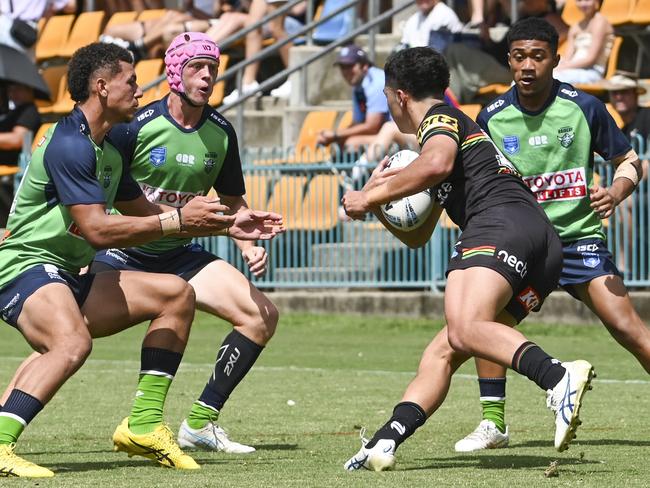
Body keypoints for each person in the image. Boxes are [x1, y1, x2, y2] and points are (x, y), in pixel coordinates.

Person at [0, 42, 282, 477]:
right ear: (101, 87)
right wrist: (176, 221)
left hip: (69, 271)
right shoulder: (70, 145)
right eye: (130, 82)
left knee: (175, 295)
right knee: (70, 343)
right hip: (27, 264)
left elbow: (148, 215)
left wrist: (228, 227)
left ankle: (144, 425)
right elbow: (98, 229)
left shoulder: (109, 150)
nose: (138, 89)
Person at [340, 46, 594, 472]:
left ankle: (557, 377)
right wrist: (383, 204)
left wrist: (368, 196)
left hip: (499, 227)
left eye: (387, 98)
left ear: (400, 96)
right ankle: (385, 441)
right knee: (448, 347)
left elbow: (435, 163)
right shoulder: (456, 133)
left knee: (464, 327)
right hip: (539, 243)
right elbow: (419, 235)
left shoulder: (439, 120)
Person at [454, 17, 650, 453]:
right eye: (519, 57)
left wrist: (616, 191)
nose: (527, 66)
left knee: (627, 327)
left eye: (538, 57)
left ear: (555, 60)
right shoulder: (492, 116)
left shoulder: (585, 107)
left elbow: (632, 161)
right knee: (487, 324)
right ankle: (493, 424)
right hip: (524, 246)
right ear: (509, 60)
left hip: (579, 241)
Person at [88, 31, 281, 454]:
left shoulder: (221, 133)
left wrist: (248, 244)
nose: (208, 76)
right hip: (124, 251)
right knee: (72, 334)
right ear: (175, 71)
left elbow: (232, 201)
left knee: (261, 316)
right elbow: (96, 199)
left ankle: (200, 422)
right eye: (197, 67)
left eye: (213, 68)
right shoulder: (134, 128)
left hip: (179, 252)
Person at [222, 0, 307, 103]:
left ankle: (295, 78)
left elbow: (298, 9)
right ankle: (248, 83)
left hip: (296, 22)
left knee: (276, 28)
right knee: (252, 26)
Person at [316, 44, 389, 152]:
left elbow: (373, 126)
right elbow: (358, 122)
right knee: (341, 142)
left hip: (399, 134)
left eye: (350, 66)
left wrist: (336, 135)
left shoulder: (376, 82)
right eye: (343, 67)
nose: (346, 71)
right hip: (382, 133)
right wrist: (335, 136)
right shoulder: (358, 85)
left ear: (364, 66)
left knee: (351, 143)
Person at [0, 82, 41, 226]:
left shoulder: (29, 110)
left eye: (18, 89)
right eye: (10, 90)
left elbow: (17, 139)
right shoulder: (12, 111)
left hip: (14, 163)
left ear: (30, 90)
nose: (13, 94)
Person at [554, 0, 613, 85]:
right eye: (579, 0)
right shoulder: (575, 26)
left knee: (553, 78)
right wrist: (561, 66)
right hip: (572, 69)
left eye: (587, 0)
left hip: (592, 71)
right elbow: (568, 56)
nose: (583, 4)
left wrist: (564, 67)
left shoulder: (600, 22)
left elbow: (591, 59)